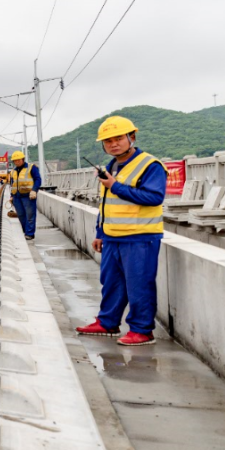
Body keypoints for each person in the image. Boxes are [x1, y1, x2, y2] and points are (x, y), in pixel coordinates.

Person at [76, 115, 166, 347]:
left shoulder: (150, 165)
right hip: (113, 236)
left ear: (132, 137)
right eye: (107, 141)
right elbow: (105, 203)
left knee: (139, 284)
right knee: (112, 283)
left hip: (140, 237)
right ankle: (108, 322)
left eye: (118, 138)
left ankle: (142, 331)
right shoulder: (111, 166)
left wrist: (115, 186)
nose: (113, 144)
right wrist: (100, 232)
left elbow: (154, 197)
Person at [9, 150, 41, 240]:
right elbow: (13, 184)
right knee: (21, 215)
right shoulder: (13, 171)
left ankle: (30, 234)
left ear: (23, 159)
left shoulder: (31, 167)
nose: (17, 162)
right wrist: (11, 196)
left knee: (30, 215)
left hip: (28, 195)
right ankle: (26, 231)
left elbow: (38, 179)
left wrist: (34, 190)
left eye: (18, 160)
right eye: (15, 161)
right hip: (17, 196)